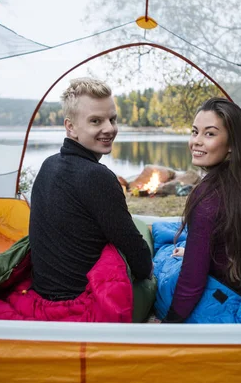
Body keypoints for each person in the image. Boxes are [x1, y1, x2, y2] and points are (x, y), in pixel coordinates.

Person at [29, 77, 153, 301]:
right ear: (71, 127)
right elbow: (141, 262)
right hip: (84, 300)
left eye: (112, 119)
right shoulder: (97, 177)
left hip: (43, 291)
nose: (109, 129)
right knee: (148, 244)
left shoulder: (49, 164)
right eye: (96, 121)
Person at [162, 97, 241, 323]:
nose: (197, 142)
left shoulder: (206, 197)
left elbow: (191, 284)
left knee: (161, 262)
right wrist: (195, 254)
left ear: (231, 143)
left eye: (209, 134)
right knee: (179, 249)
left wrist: (169, 326)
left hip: (225, 299)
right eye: (195, 132)